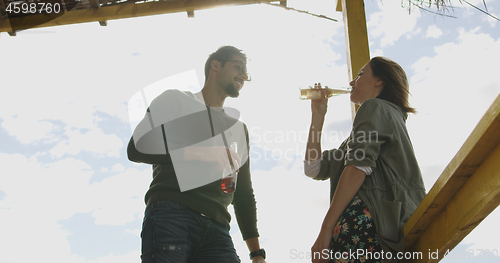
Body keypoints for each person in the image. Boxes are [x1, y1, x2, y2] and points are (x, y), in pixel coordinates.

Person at [127, 46, 267, 263]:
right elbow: (137, 147)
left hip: (218, 230)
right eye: (238, 67)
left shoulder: (239, 129)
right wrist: (201, 153)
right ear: (215, 65)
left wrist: (257, 253)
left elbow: (243, 193)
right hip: (171, 214)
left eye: (246, 73)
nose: (243, 75)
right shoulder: (174, 100)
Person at [304, 57, 426, 263]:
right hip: (386, 233)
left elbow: (357, 167)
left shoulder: (374, 107)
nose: (352, 82)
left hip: (365, 231)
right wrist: (318, 117)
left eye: (360, 75)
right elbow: (313, 168)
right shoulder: (375, 124)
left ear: (379, 80)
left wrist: (325, 230)